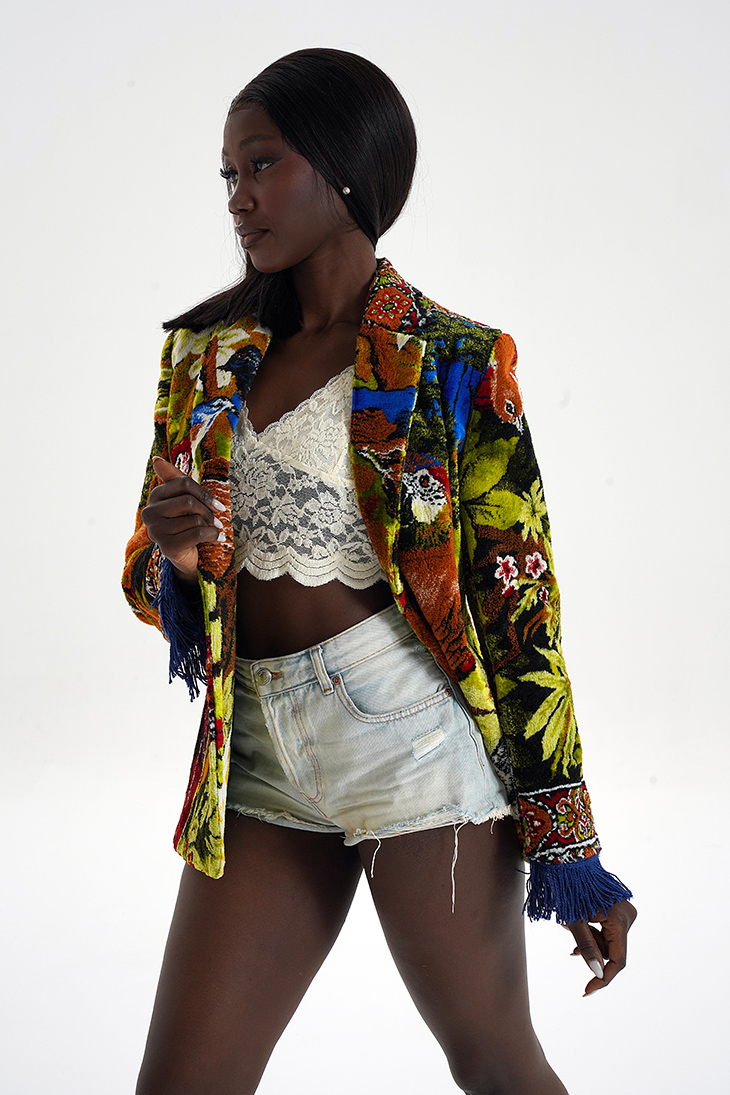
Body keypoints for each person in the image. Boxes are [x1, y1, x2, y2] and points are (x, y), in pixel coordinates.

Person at [123, 47, 636, 1095]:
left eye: (261, 165)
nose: (238, 197)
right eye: (227, 174)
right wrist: (175, 560)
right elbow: (153, 576)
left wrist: (569, 848)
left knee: (496, 1065)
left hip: (413, 745)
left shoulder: (455, 361)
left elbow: (518, 607)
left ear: (346, 169)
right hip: (255, 751)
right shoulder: (202, 357)